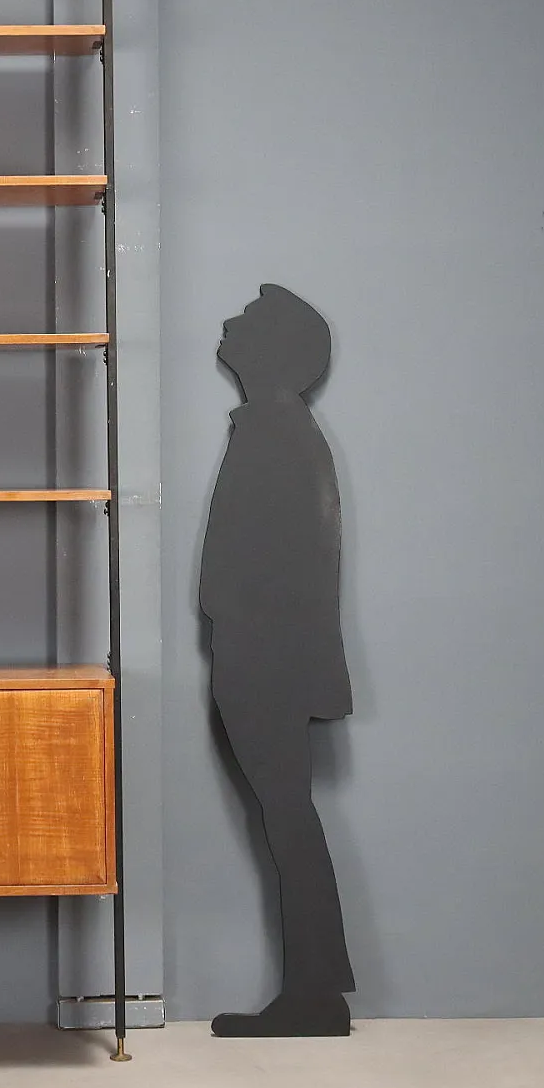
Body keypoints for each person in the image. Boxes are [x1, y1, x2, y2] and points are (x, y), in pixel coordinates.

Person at [200, 284, 355, 1037]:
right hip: (266, 655)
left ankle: (314, 993)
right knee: (290, 817)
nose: (229, 323)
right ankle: (316, 989)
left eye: (248, 321)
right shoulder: (281, 429)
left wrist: (231, 626)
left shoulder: (275, 431)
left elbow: (274, 565)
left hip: (265, 660)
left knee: (288, 817)